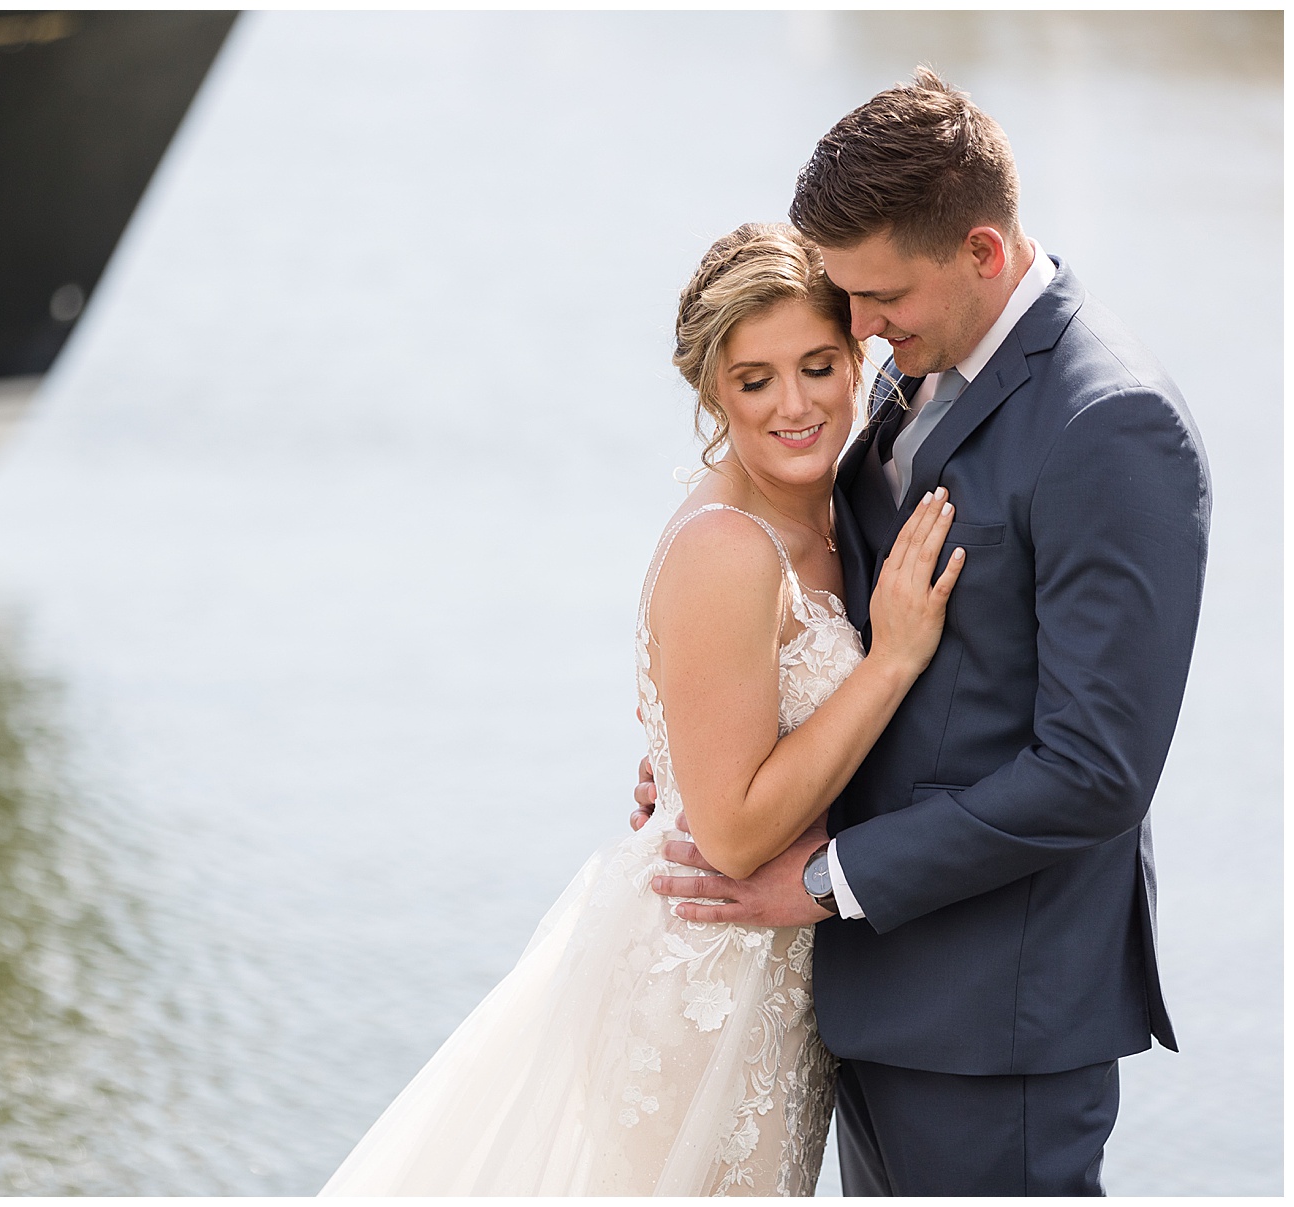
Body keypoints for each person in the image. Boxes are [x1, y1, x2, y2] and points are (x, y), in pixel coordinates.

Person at [635, 68, 1209, 1195]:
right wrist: (710, 744)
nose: (856, 332)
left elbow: (1095, 772)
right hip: (863, 1001)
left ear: (982, 253)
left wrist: (827, 878)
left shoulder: (1110, 426)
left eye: (876, 299)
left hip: (996, 1026)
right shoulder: (913, 366)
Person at [322, 222, 965, 1196]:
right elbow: (737, 830)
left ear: (858, 354)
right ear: (712, 389)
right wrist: (894, 659)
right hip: (705, 984)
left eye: (818, 366)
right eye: (755, 380)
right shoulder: (727, 548)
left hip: (785, 984)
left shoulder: (842, 507)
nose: (795, 405)